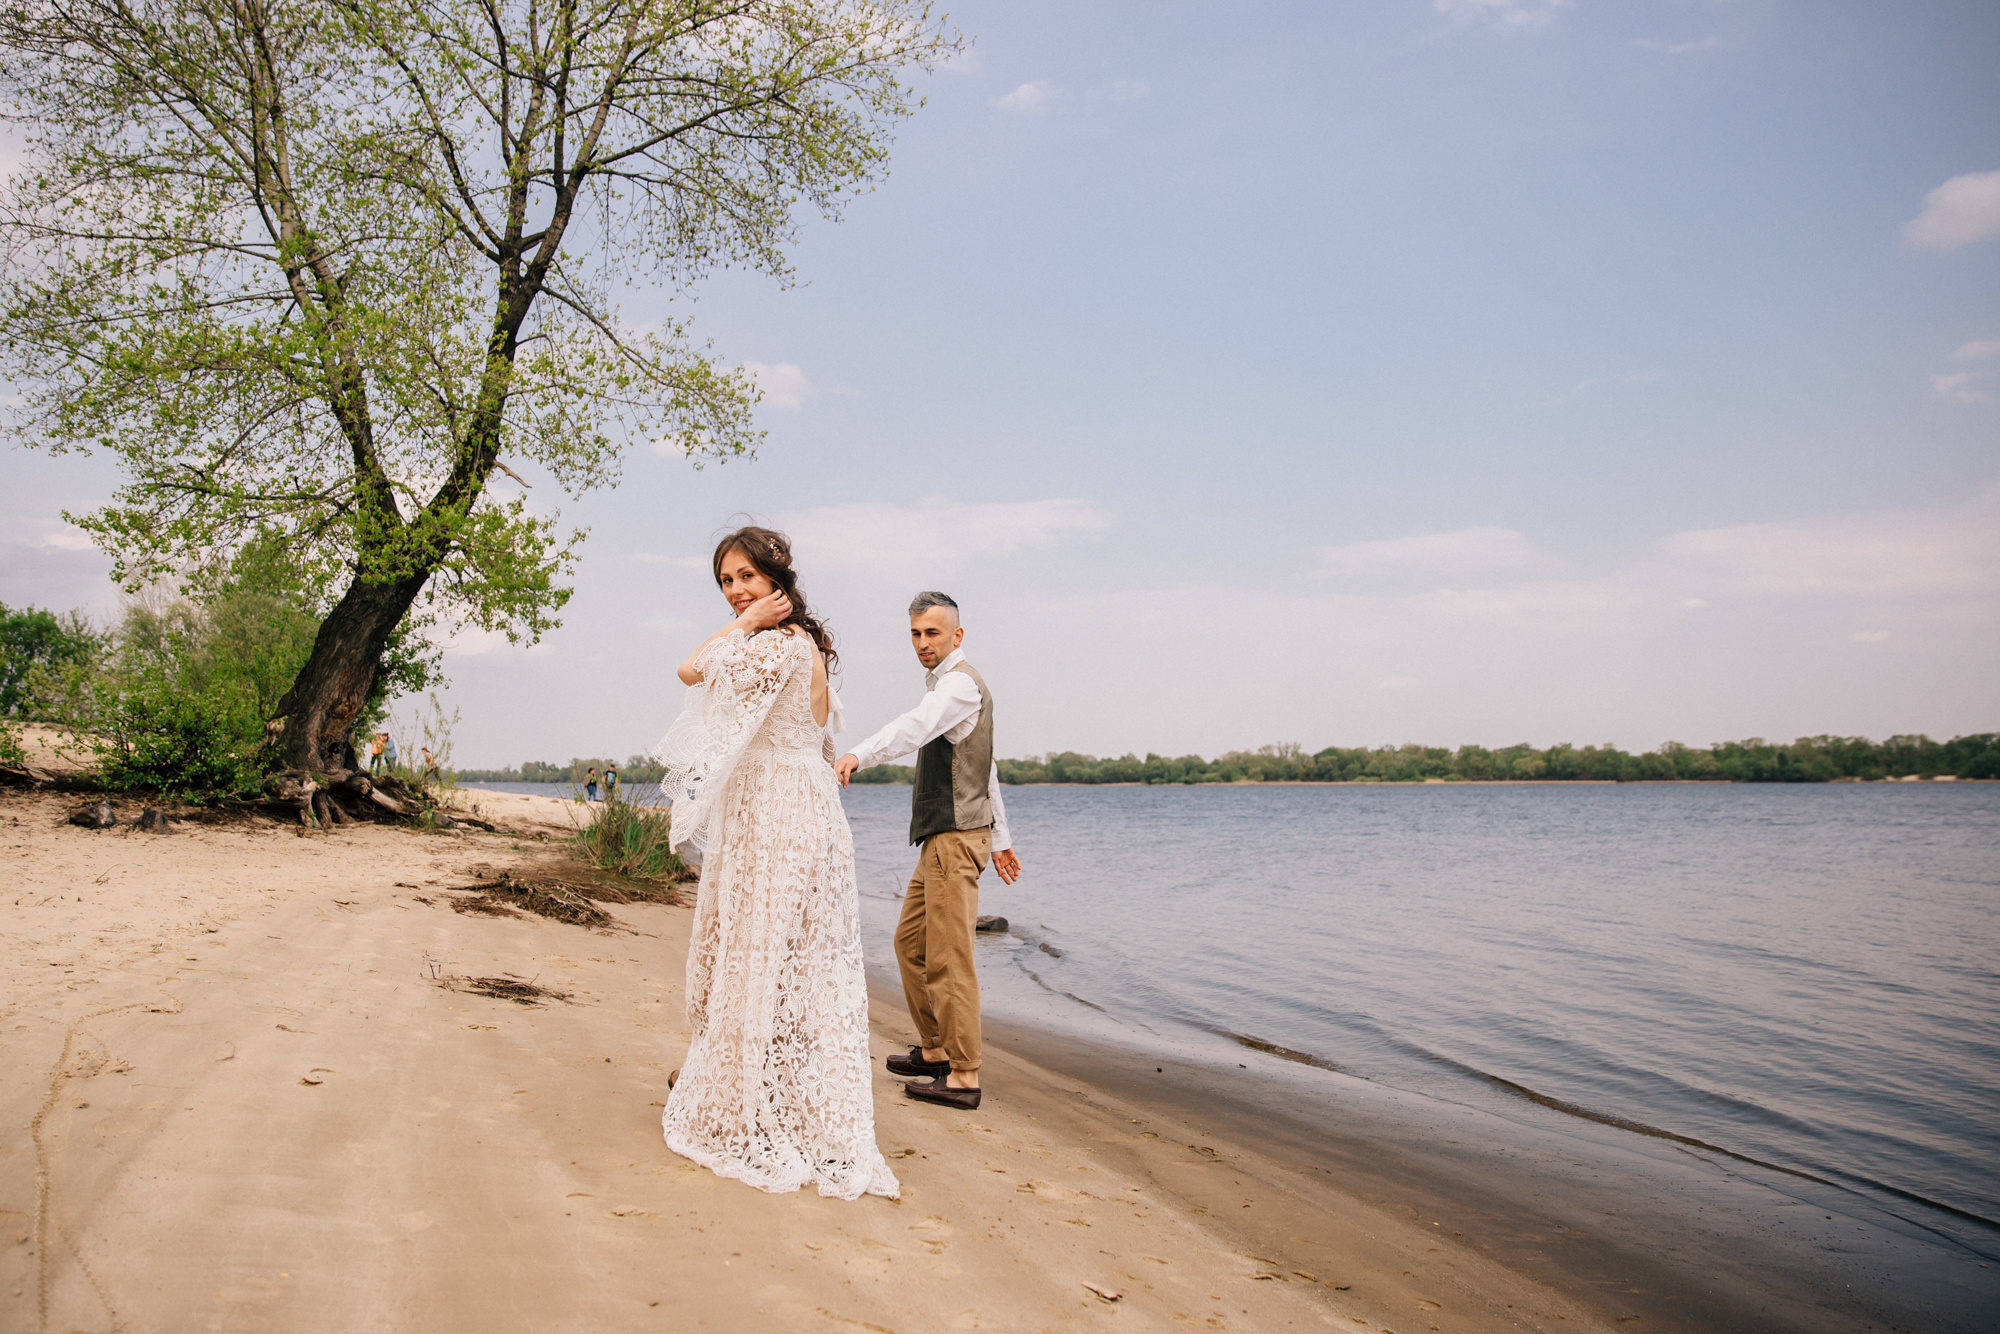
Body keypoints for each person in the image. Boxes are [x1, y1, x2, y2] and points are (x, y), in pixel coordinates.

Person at [653, 525, 898, 1200]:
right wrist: (749, 620)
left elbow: (690, 670)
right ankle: (745, 1077)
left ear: (777, 580)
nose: (736, 592)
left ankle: (743, 1095)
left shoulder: (779, 645)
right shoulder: (800, 643)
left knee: (766, 948)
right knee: (774, 952)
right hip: (791, 804)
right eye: (727, 582)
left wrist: (751, 623)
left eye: (746, 579)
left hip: (779, 811)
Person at [835, 592, 1021, 1112]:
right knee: (910, 944)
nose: (922, 643)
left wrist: (857, 754)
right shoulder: (950, 685)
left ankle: (964, 1075)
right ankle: (936, 1051)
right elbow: (987, 773)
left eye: (932, 633)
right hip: (946, 838)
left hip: (955, 840)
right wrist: (1002, 839)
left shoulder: (959, 686)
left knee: (948, 959)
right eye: (915, 634)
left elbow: (912, 727)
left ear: (956, 636)